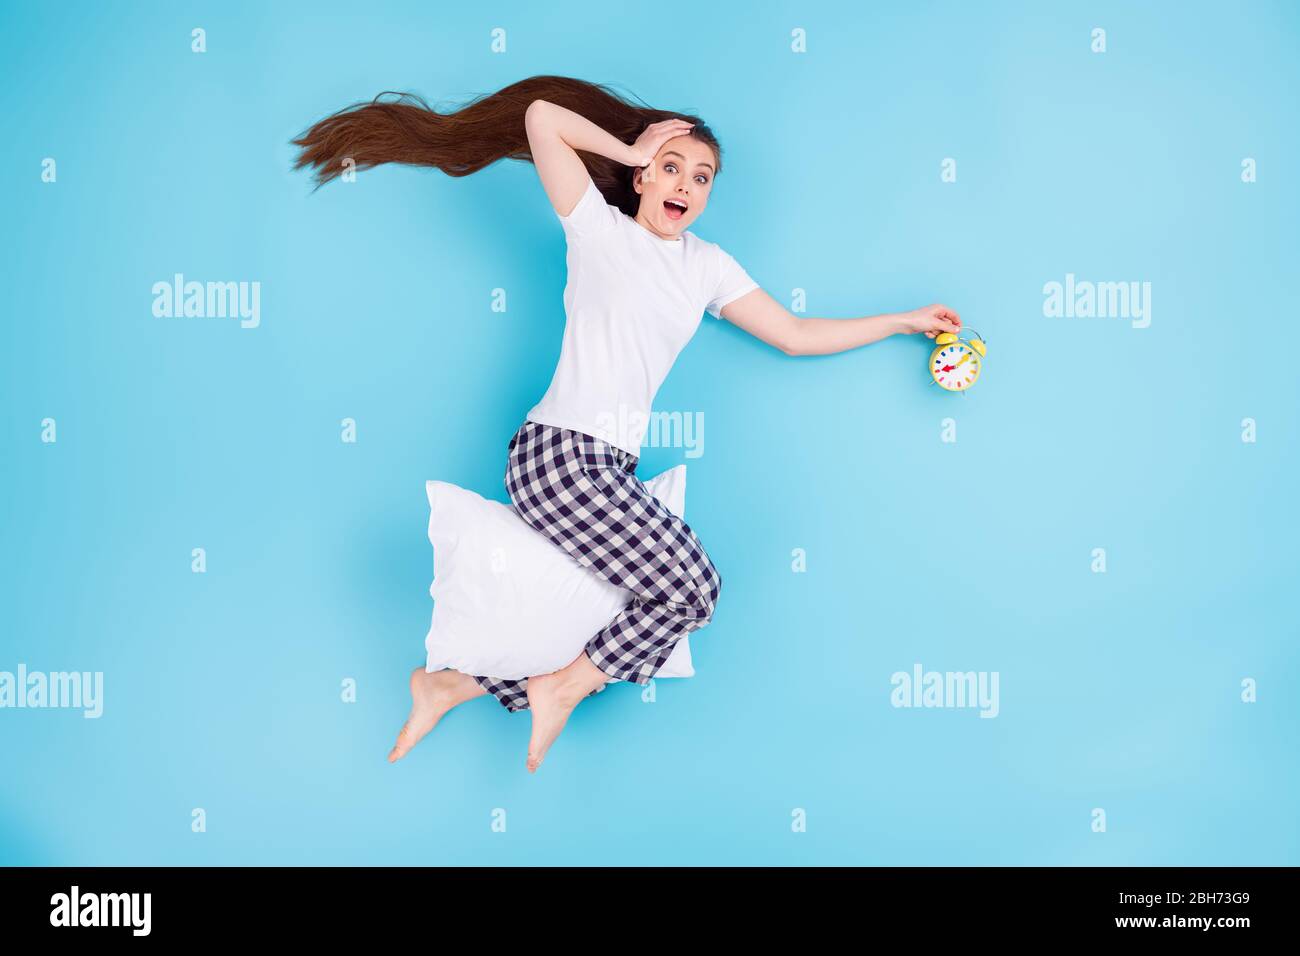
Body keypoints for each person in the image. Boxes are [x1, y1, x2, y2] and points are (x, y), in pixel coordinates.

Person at [292, 75, 961, 773]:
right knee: (694, 589)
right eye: (672, 168)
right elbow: (542, 116)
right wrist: (632, 146)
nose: (684, 186)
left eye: (701, 178)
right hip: (557, 456)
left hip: (605, 469)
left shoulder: (704, 267)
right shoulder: (596, 228)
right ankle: (557, 688)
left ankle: (451, 685)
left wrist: (900, 321)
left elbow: (793, 333)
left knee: (618, 605)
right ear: (642, 178)